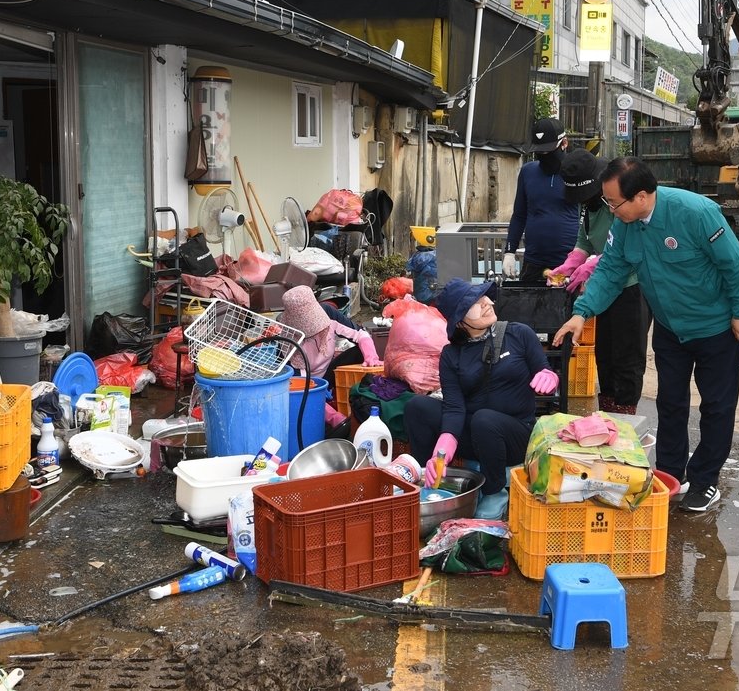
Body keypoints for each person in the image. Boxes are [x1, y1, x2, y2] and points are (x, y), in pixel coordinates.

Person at [552, 158, 739, 512]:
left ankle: (705, 480)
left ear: (642, 197)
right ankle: (671, 474)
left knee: (716, 407)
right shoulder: (625, 225)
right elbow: (611, 270)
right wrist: (581, 313)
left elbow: (734, 264)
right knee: (671, 403)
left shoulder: (695, 213)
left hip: (715, 327)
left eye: (614, 203)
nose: (611, 210)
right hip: (669, 328)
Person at [404, 278, 560, 519]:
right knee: (417, 407)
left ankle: (494, 491)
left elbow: (543, 367)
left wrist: (549, 376)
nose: (487, 303)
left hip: (514, 436)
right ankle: (429, 478)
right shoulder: (451, 355)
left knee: (484, 420)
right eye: (474, 302)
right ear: (460, 320)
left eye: (484, 296)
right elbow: (454, 407)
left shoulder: (519, 334)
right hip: (476, 435)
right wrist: (444, 447)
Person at [545, 149, 650, 415]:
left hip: (630, 286)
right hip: (603, 289)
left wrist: (593, 264)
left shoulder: (618, 203)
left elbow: (629, 247)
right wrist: (572, 263)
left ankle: (626, 410)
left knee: (627, 355)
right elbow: (584, 239)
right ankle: (608, 406)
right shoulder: (589, 207)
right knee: (605, 353)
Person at [278, 284, 382, 436]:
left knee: (358, 352)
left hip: (328, 372)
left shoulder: (328, 313)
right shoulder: (287, 341)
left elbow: (360, 334)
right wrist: (335, 417)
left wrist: (370, 356)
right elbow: (298, 387)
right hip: (308, 384)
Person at [503, 118, 580, 283]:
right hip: (534, 261)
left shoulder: (577, 171)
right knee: (528, 299)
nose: (544, 156)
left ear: (564, 143)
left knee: (566, 299)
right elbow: (519, 215)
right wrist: (509, 251)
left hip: (568, 261)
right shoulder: (527, 172)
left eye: (548, 151)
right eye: (540, 152)